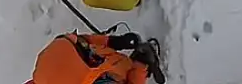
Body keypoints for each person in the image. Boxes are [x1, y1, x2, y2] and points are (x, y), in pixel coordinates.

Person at [30, 30, 165, 84]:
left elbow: (78, 40)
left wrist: (112, 42)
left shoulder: (55, 54)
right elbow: (76, 40)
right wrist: (141, 66)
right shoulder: (46, 63)